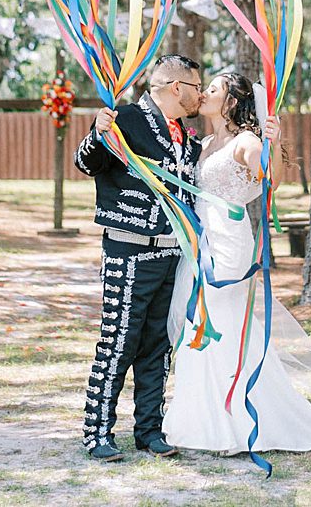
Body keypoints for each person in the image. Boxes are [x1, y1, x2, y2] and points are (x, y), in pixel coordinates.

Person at [162, 71, 311, 455]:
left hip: (229, 241)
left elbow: (270, 180)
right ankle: (204, 418)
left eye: (212, 90)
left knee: (225, 322)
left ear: (231, 101)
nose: (203, 95)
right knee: (201, 323)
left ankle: (239, 418)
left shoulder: (246, 141)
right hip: (202, 238)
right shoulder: (204, 141)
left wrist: (274, 142)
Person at [74, 54, 205, 462]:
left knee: (157, 345)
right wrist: (97, 133)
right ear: (176, 87)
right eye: (197, 88)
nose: (201, 95)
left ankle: (149, 430)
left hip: (171, 253)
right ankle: (97, 433)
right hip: (129, 250)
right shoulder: (125, 120)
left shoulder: (187, 134)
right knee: (119, 342)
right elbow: (86, 162)